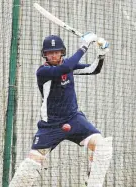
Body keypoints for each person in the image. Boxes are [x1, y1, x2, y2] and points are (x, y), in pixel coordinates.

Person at [9, 32, 113, 187]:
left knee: (102, 147)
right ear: (44, 55)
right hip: (51, 125)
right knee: (31, 165)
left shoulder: (67, 65)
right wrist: (84, 46)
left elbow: (93, 69)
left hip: (74, 119)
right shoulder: (43, 72)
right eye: (49, 53)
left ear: (62, 52)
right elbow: (63, 69)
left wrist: (100, 55)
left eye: (56, 52)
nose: (53, 55)